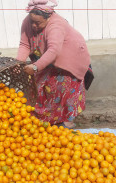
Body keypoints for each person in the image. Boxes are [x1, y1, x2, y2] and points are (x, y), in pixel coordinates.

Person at [17, 0, 92, 129]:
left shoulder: (56, 24)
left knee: (63, 88)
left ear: (48, 17)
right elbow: (25, 44)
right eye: (32, 22)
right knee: (39, 87)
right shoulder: (27, 22)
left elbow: (53, 50)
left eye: (38, 23)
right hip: (47, 58)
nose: (34, 25)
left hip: (70, 59)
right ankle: (45, 119)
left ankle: (68, 120)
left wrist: (35, 67)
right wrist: (18, 63)